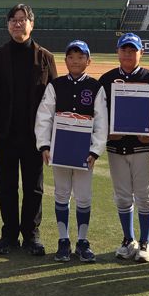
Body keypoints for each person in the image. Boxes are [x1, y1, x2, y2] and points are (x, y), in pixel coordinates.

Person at [0, 4, 58, 256]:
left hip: (34, 136)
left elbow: (54, 98)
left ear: (31, 24)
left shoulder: (45, 57)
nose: (18, 24)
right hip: (4, 133)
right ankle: (9, 234)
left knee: (34, 188)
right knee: (6, 186)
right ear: (7, 25)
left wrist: (49, 136)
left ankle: (31, 234)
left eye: (23, 19)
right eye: (13, 20)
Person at [99, 32, 149, 263]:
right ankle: (128, 240)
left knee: (144, 196)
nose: (128, 54)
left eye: (133, 50)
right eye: (124, 50)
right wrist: (107, 133)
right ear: (118, 52)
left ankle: (145, 241)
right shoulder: (106, 80)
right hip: (116, 148)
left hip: (143, 148)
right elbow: (99, 115)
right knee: (121, 196)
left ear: (141, 52)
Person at [34, 40, 107, 263]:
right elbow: (44, 116)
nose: (75, 61)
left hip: (84, 154)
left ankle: (82, 241)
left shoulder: (96, 87)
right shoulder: (55, 86)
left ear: (88, 60)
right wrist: (44, 146)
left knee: (84, 197)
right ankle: (63, 240)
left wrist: (95, 150)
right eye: (71, 57)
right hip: (60, 152)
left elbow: (101, 122)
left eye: (80, 57)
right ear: (65, 60)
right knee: (61, 195)